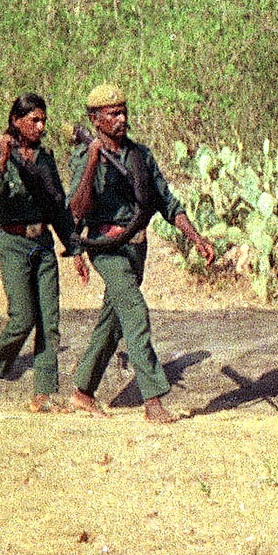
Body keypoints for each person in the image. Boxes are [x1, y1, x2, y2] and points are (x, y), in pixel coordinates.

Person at [63, 84, 215, 424]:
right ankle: (153, 401)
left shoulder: (140, 156)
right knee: (135, 313)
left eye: (124, 111)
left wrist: (196, 237)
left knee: (113, 321)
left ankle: (82, 392)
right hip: (107, 250)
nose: (122, 119)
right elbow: (76, 208)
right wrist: (91, 163)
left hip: (136, 250)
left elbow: (166, 201)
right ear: (95, 120)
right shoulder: (85, 158)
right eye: (113, 114)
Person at [0, 93, 81, 412]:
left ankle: (43, 394)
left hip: (43, 243)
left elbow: (57, 206)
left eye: (43, 120)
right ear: (16, 121)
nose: (40, 125)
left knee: (50, 321)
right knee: (23, 317)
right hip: (12, 242)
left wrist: (74, 249)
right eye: (34, 120)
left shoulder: (44, 159)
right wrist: (5, 163)